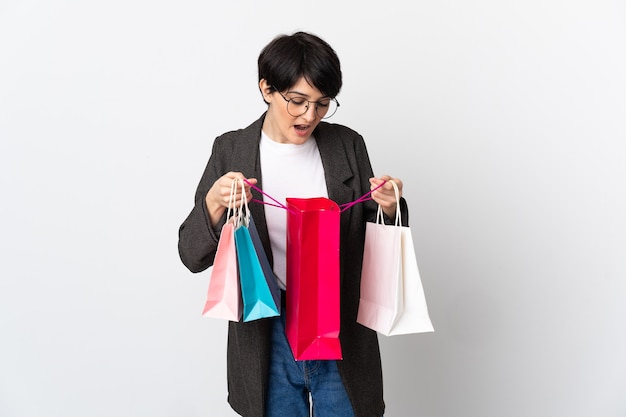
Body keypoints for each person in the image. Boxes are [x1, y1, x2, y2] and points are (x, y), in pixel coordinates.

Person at [178, 31, 409, 417]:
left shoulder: (347, 145)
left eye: (322, 104)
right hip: (266, 331)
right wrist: (213, 206)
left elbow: (374, 244)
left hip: (338, 327)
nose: (309, 116)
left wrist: (389, 208)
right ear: (267, 88)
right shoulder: (231, 150)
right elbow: (191, 254)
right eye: (298, 101)